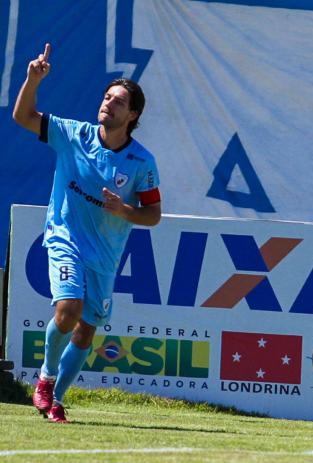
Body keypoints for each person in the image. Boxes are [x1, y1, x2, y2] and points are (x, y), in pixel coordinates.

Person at [12, 43, 162, 423]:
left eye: (118, 102)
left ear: (133, 115)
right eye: (107, 97)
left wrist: (124, 210)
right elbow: (23, 115)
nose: (108, 104)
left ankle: (55, 400)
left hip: (105, 254)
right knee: (69, 309)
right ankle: (45, 380)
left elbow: (154, 215)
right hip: (64, 237)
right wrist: (33, 80)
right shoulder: (71, 134)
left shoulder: (142, 162)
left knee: (86, 329)